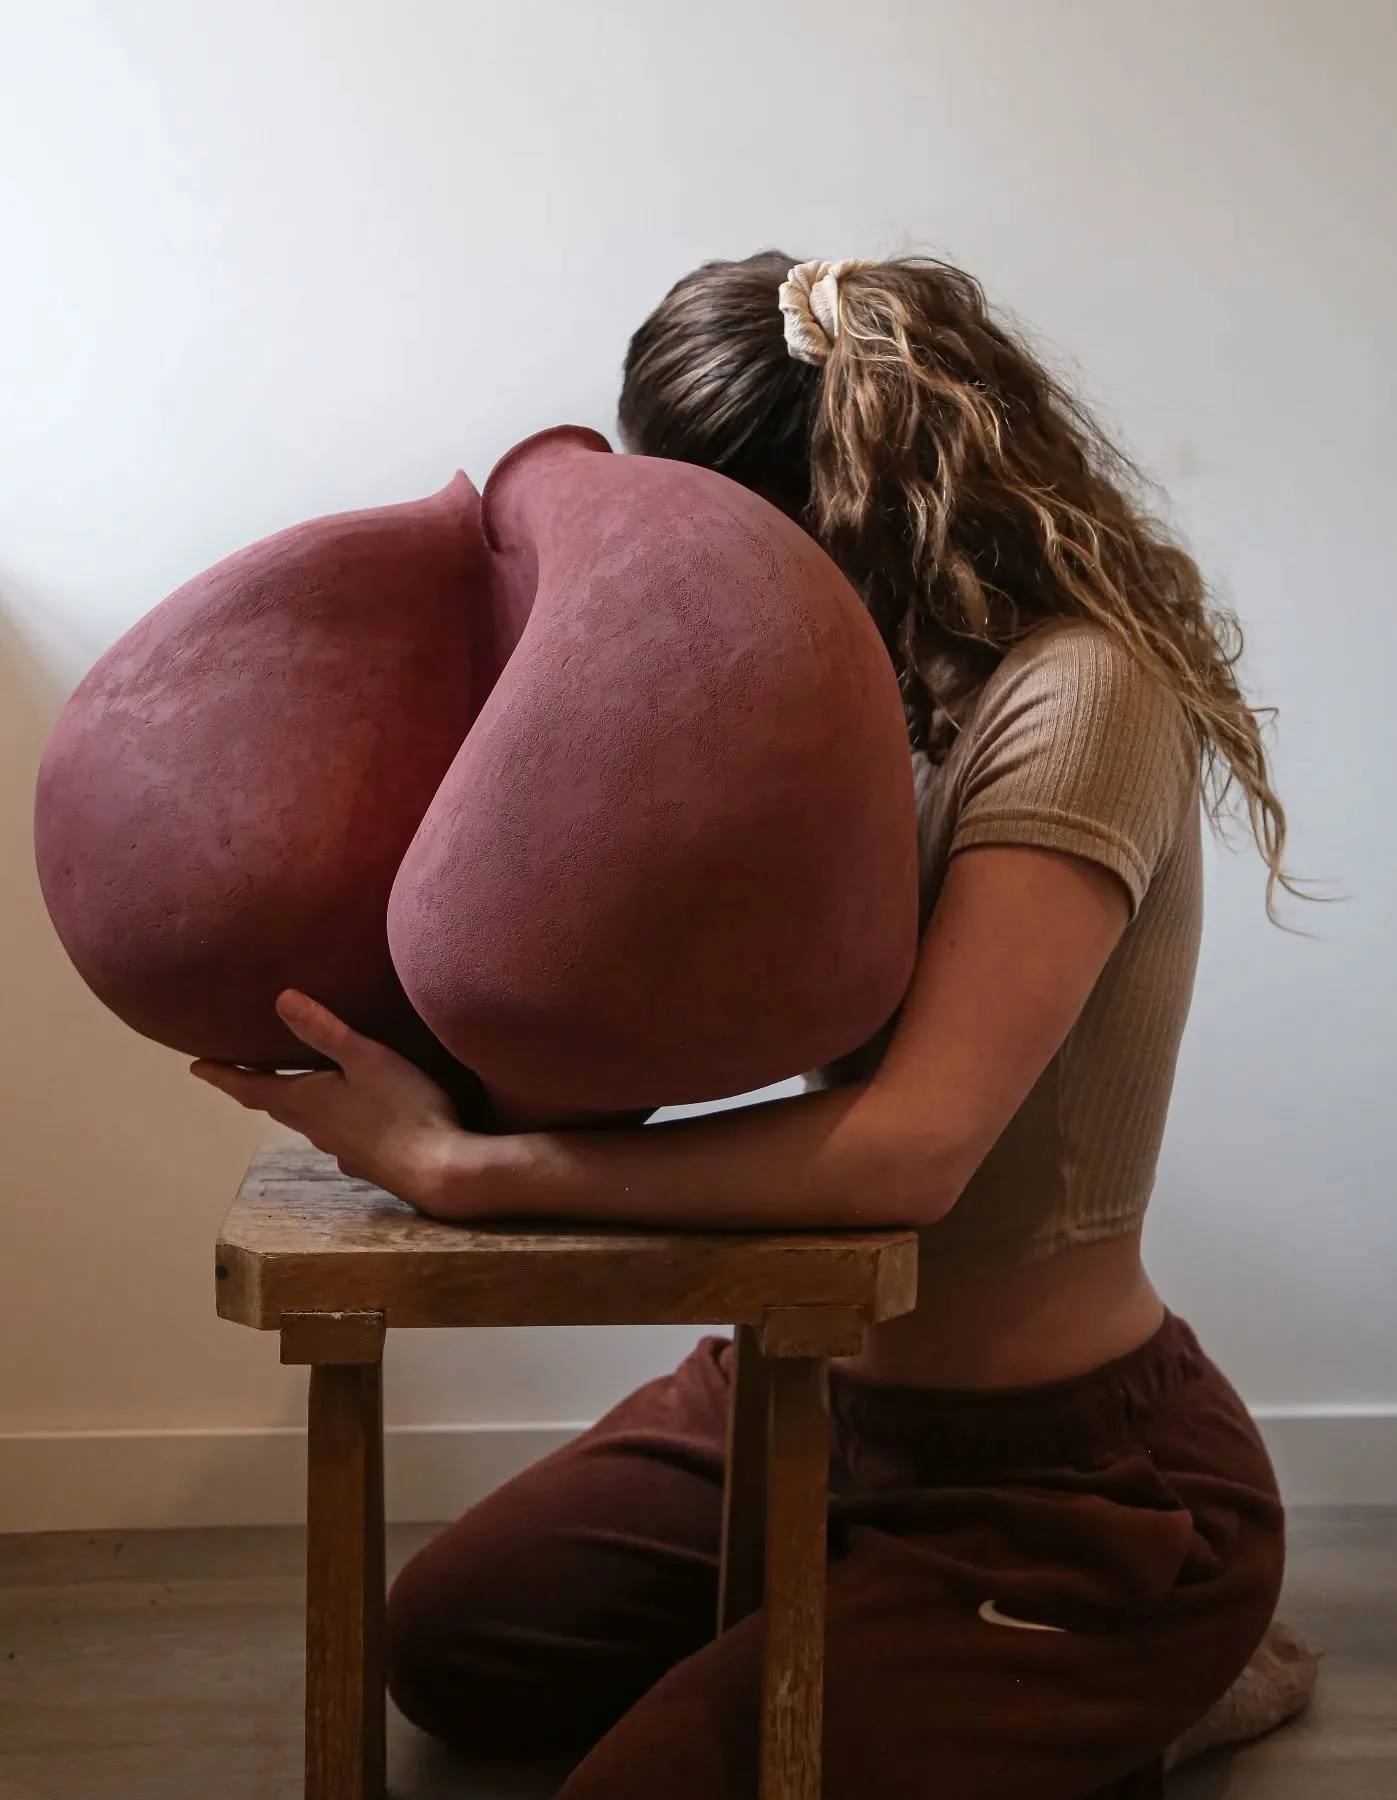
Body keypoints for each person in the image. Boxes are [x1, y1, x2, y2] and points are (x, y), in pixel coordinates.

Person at [194, 254, 1308, 1797]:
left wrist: (469, 1174)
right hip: (797, 1395)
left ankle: (1162, 1668)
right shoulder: (841, 699)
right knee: (451, 1647)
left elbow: (914, 1149)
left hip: (1067, 1476)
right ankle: (897, 1660)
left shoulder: (1080, 696)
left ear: (800, 519)